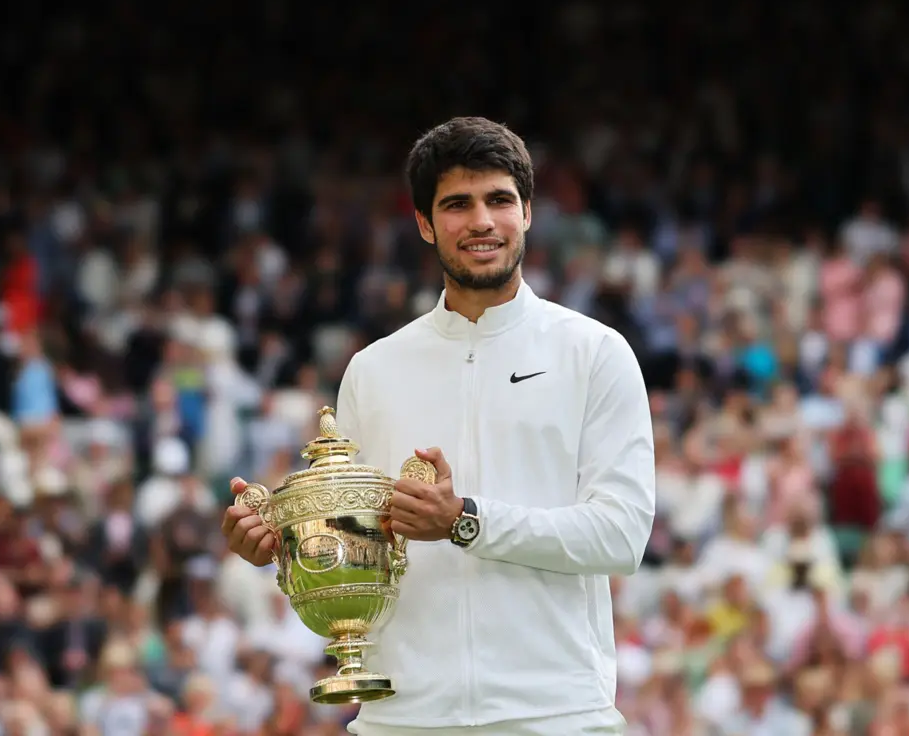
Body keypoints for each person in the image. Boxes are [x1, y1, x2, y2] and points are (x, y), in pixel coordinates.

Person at [221, 116, 655, 734]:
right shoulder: (372, 371)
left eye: (499, 200)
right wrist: (279, 542)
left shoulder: (595, 353)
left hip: (557, 714)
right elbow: (361, 547)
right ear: (425, 223)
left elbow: (621, 536)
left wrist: (466, 520)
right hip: (400, 719)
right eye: (457, 204)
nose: (481, 221)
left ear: (527, 212)